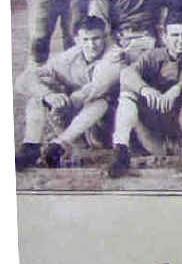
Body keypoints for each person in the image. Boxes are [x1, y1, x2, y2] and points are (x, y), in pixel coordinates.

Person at [106, 15, 182, 179]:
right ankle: (120, 150)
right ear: (164, 37)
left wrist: (178, 88)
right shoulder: (153, 56)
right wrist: (145, 89)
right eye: (175, 35)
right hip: (154, 135)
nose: (180, 40)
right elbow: (126, 73)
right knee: (127, 93)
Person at [14, 16, 126, 171]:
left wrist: (64, 102)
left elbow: (96, 88)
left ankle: (59, 146)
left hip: (104, 127)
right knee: (37, 98)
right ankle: (31, 147)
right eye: (85, 39)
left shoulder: (115, 55)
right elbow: (23, 80)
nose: (91, 45)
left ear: (105, 37)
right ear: (77, 39)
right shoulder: (70, 56)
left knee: (100, 102)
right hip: (76, 125)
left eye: (96, 38)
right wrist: (48, 95)